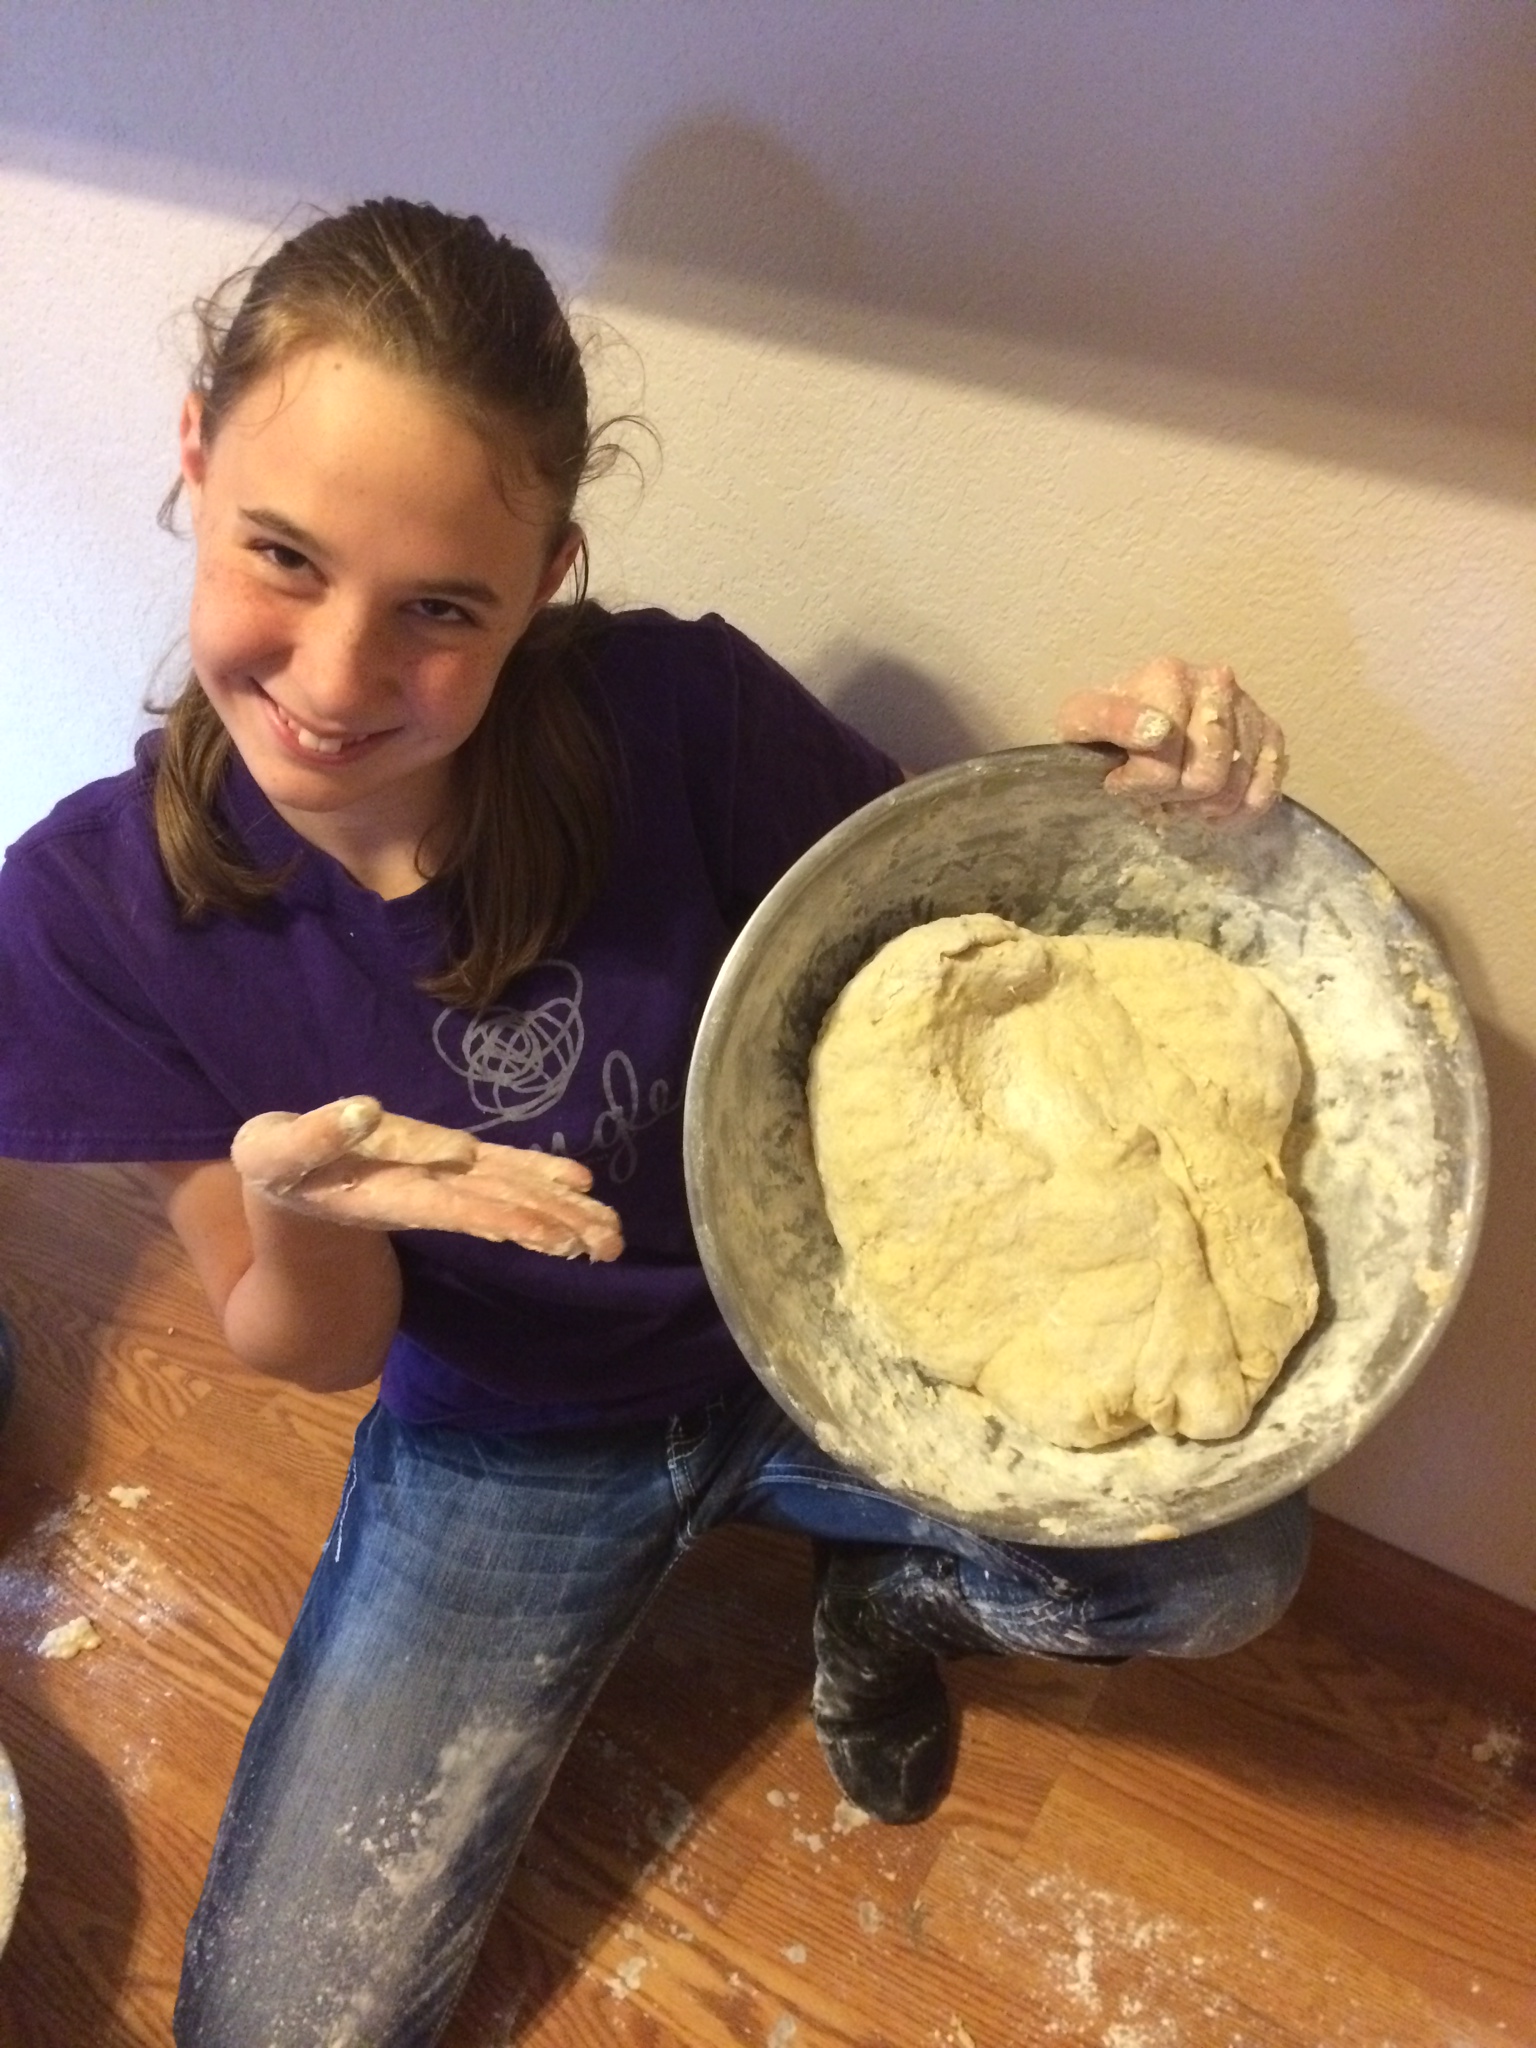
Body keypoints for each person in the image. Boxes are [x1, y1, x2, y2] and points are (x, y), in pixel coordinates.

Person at [0, 199, 1299, 2046]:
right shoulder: (92, 918)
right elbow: (310, 1347)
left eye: (441, 609)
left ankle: (886, 1608)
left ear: (545, 578)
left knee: (1231, 1568)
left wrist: (1142, 798)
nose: (339, 677)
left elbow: (976, 944)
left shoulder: (681, 719)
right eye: (283, 556)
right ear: (196, 461)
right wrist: (307, 1206)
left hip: (832, 1348)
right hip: (511, 1443)